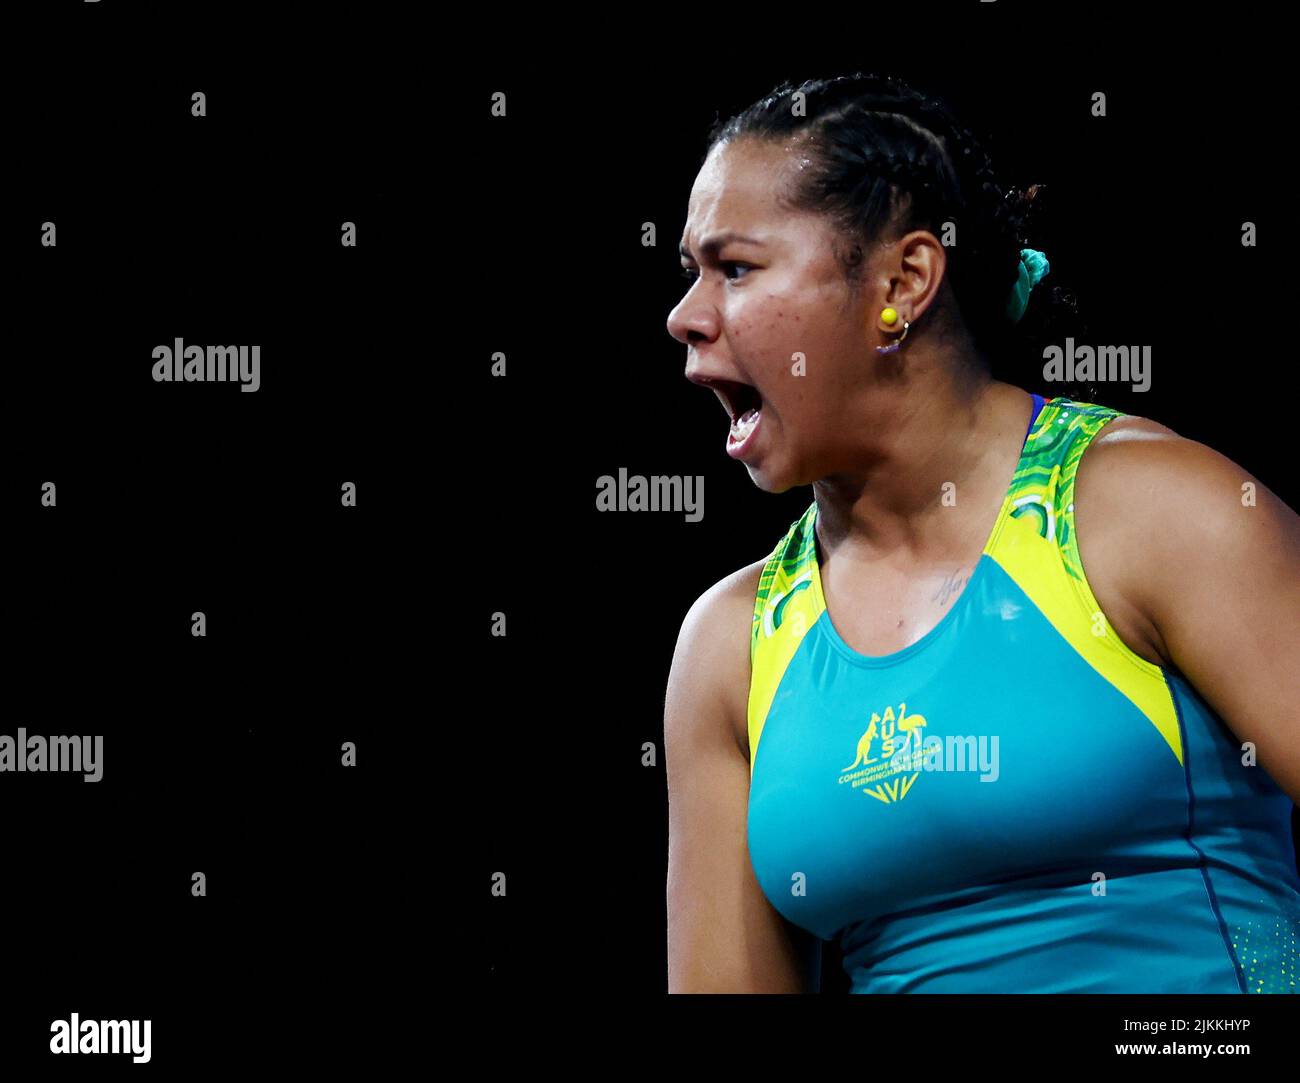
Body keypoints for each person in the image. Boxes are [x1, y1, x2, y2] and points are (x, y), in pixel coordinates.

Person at [663, 73, 1300, 993]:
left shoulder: (1155, 513)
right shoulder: (731, 646)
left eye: (735, 267)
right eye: (690, 272)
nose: (686, 316)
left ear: (904, 281)